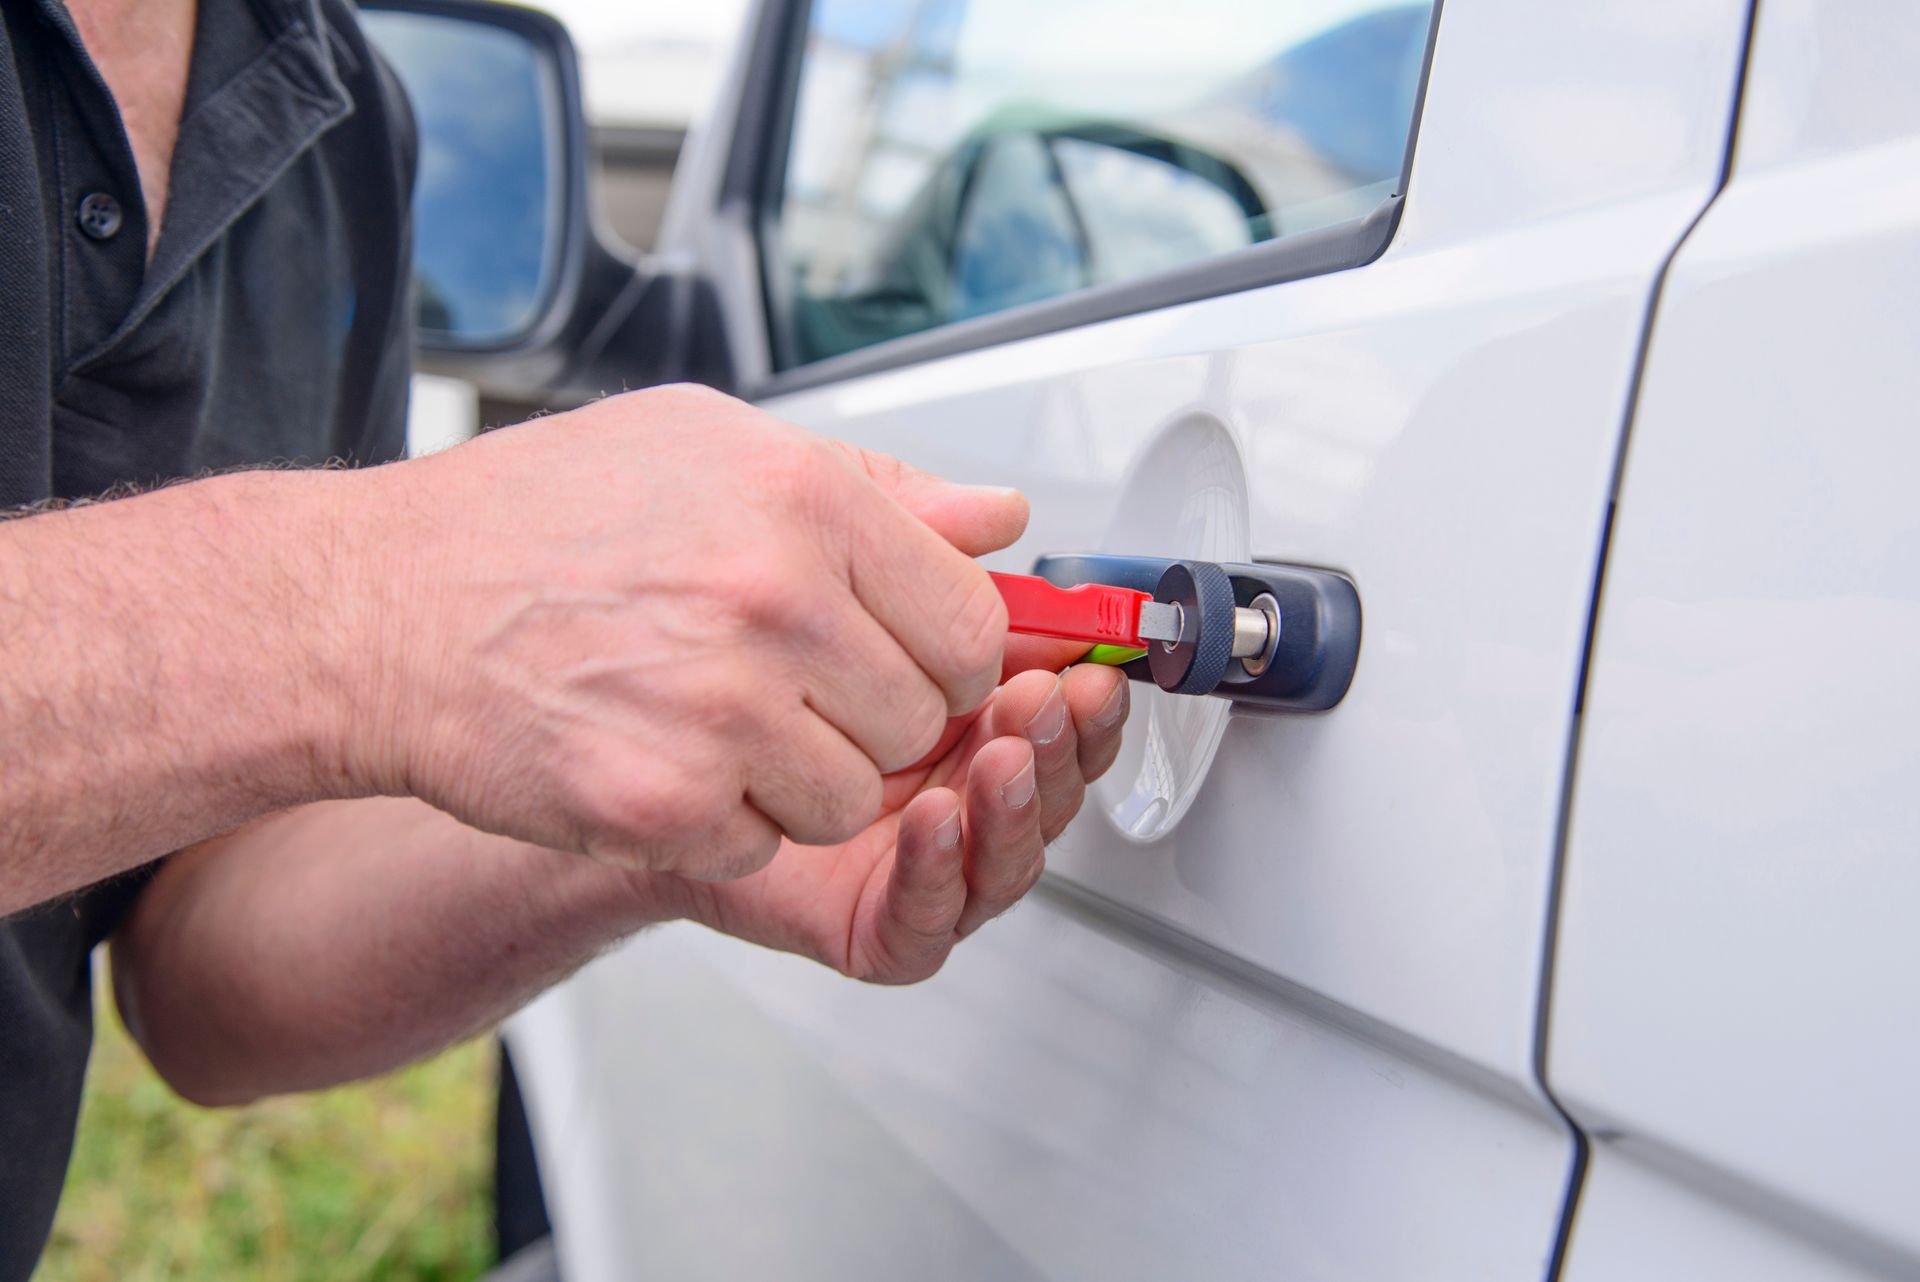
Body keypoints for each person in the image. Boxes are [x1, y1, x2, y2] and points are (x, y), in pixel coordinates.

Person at [0, 0, 1130, 1273]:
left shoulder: (342, 114)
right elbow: (359, 631)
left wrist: (658, 839)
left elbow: (190, 976)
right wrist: (374, 606)